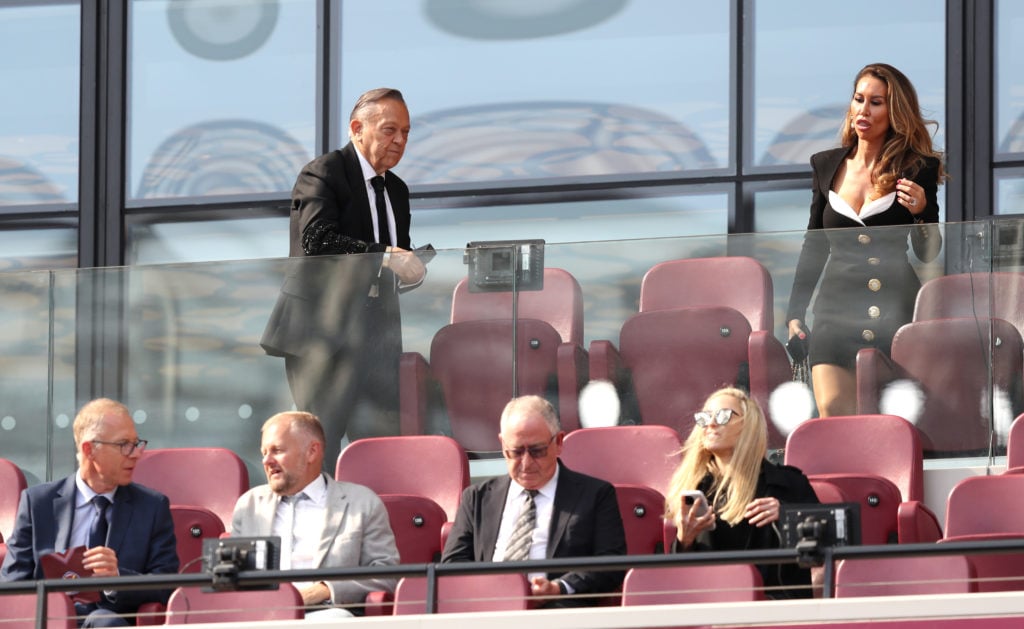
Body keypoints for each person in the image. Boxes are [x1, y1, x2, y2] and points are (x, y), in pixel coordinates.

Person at [260, 87, 427, 469]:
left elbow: (392, 258)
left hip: (378, 332)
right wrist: (385, 256)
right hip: (324, 333)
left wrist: (413, 266)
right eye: (390, 130)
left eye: (406, 132)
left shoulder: (396, 190)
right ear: (357, 128)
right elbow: (318, 239)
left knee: (381, 452)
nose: (400, 140)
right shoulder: (324, 172)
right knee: (321, 446)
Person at [786, 63, 945, 417]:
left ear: (894, 112)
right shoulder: (825, 164)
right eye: (859, 99)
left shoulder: (918, 167)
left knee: (887, 420)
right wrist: (795, 311)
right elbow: (814, 243)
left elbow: (928, 250)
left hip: (894, 309)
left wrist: (922, 211)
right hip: (834, 311)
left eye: (876, 102)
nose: (863, 110)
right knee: (832, 410)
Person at [0, 398, 179, 627]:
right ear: (89, 449)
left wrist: (117, 578)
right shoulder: (38, 503)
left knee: (104, 621)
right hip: (49, 619)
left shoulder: (152, 507)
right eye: (124, 444)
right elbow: (12, 582)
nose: (135, 454)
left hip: (109, 620)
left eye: (136, 443)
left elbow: (167, 585)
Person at [441, 395, 626, 607]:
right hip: (488, 612)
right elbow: (452, 565)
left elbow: (610, 563)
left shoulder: (595, 495)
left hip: (559, 614)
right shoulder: (477, 498)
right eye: (516, 452)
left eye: (537, 451)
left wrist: (559, 588)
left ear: (558, 442)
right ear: (503, 445)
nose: (526, 463)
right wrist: (487, 590)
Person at [230, 411, 400, 618]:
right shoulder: (249, 506)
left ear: (312, 452)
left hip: (327, 611)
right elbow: (232, 577)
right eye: (264, 452)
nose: (267, 460)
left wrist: (324, 590)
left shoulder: (362, 502)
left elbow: (386, 574)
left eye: (277, 450)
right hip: (261, 615)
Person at [665, 387, 819, 599]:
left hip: (777, 612)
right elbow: (676, 583)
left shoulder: (789, 484)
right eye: (705, 417)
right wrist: (684, 541)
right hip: (712, 610)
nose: (710, 424)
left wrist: (789, 516)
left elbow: (827, 546)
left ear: (748, 425)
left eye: (723, 416)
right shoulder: (693, 489)